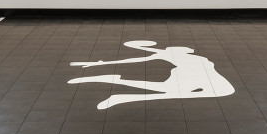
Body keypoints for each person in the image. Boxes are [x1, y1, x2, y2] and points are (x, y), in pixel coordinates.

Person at [68, 40, 235, 109]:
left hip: (206, 78)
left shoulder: (171, 53)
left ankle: (116, 86)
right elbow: (136, 60)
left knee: (167, 90)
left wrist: (144, 46)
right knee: (169, 91)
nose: (189, 48)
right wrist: (102, 63)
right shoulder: (167, 54)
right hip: (187, 76)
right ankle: (119, 92)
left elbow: (145, 52)